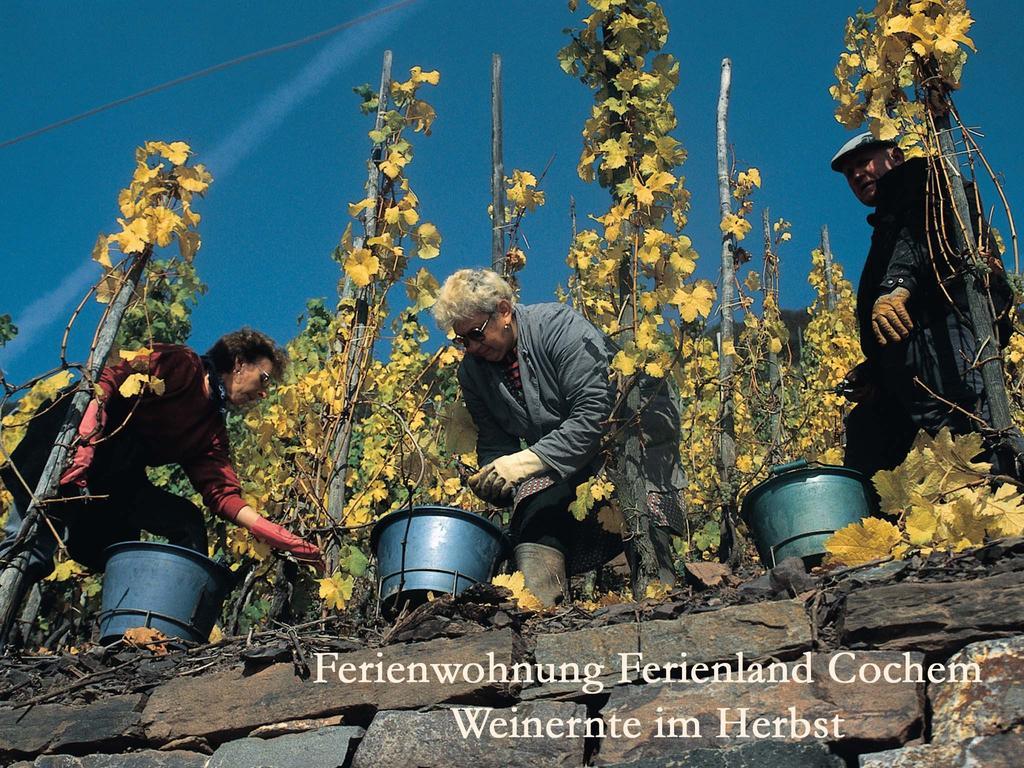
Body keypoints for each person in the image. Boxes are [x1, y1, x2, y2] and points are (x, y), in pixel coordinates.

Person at [433, 269, 686, 605]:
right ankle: (541, 614)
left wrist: (524, 462)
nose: (472, 348)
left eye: (477, 334)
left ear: (504, 311)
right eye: (462, 340)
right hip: (565, 450)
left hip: (631, 434)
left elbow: (597, 412)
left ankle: (660, 603)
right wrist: (494, 477)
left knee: (640, 511)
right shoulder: (472, 372)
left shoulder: (557, 326)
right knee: (535, 511)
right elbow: (495, 442)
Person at [0, 328, 324, 583]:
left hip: (112, 476)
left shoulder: (209, 430)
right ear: (239, 364)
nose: (264, 392)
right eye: (264, 378)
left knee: (186, 521)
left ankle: (161, 627)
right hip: (64, 436)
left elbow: (222, 495)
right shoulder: (182, 364)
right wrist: (84, 440)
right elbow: (110, 376)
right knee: (30, 551)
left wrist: (279, 536)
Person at [831, 132, 1015, 479]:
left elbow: (920, 234)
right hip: (910, 360)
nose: (856, 174)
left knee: (973, 436)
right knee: (868, 434)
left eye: (863, 161)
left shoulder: (923, 180)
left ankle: (1007, 511)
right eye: (849, 173)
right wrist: (871, 372)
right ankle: (876, 530)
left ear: (896, 156)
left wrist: (897, 285)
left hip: (945, 338)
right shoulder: (887, 219)